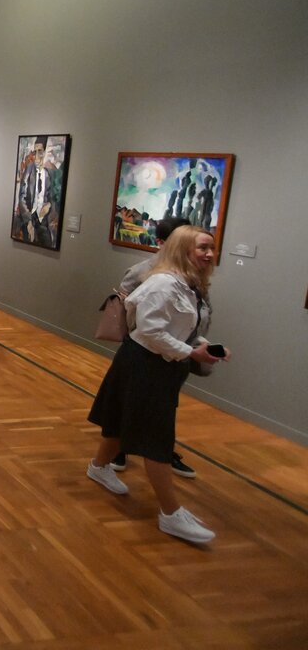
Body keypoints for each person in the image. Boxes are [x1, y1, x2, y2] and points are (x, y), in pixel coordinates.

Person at [85, 226, 229, 544]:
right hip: (144, 365)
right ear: (182, 250)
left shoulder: (189, 285)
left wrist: (202, 346)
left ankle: (98, 467)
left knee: (120, 423)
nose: (209, 254)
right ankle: (170, 513)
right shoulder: (163, 284)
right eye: (202, 247)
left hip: (161, 366)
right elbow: (150, 331)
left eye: (212, 247)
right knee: (157, 440)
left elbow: (180, 329)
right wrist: (191, 352)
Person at [110, 216, 198, 478]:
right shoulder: (147, 273)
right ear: (163, 242)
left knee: (164, 408)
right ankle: (122, 450)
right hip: (148, 353)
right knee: (134, 404)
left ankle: (159, 451)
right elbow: (131, 312)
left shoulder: (191, 275)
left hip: (174, 354)